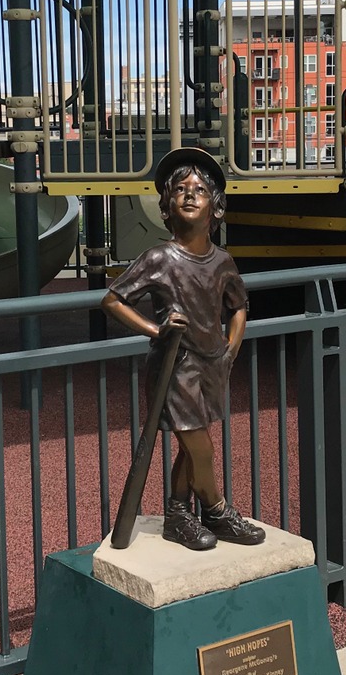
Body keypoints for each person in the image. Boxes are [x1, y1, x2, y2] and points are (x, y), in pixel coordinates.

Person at [101, 148, 266, 551]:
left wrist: (230, 350)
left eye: (198, 190)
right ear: (166, 207)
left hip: (211, 363)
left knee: (194, 443)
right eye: (179, 190)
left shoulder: (223, 261)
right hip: (175, 365)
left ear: (216, 207)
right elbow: (112, 300)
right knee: (200, 445)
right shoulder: (158, 258)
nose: (189, 195)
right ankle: (215, 508)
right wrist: (156, 330)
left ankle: (177, 513)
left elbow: (239, 307)